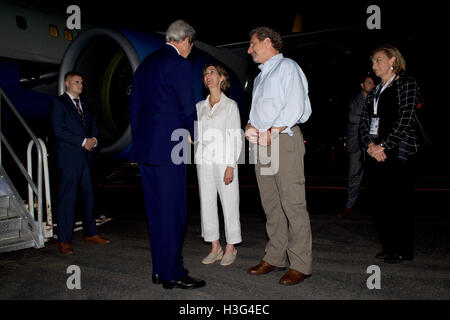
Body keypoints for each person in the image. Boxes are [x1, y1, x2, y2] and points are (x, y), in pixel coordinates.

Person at [129, 20, 205, 289]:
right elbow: (187, 107)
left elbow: (135, 110)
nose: (190, 50)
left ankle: (160, 269)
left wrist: (140, 143)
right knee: (173, 212)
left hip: (147, 149)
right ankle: (173, 273)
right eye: (191, 45)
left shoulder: (145, 65)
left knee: (156, 212)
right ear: (185, 40)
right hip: (172, 148)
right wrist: (196, 134)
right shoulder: (180, 64)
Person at [245, 27, 313, 285]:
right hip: (262, 143)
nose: (249, 49)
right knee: (271, 204)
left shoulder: (288, 68)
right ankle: (275, 256)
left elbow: (296, 106)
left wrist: (271, 132)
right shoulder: (262, 76)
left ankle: (300, 263)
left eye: (252, 44)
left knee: (292, 204)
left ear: (266, 42)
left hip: (282, 141)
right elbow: (259, 111)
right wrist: (250, 126)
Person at [359, 45, 420, 264]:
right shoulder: (375, 91)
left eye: (378, 60)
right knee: (379, 201)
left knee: (399, 202)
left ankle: (403, 249)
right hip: (376, 153)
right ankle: (388, 246)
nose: (374, 65)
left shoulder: (407, 84)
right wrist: (370, 145)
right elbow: (365, 122)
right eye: (373, 61)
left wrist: (383, 145)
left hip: (398, 152)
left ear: (393, 60)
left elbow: (406, 118)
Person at [50, 72, 110, 255]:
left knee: (89, 196)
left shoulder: (84, 104)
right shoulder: (59, 104)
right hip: (69, 159)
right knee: (68, 199)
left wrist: (94, 140)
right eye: (77, 82)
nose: (81, 85)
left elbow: (93, 126)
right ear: (67, 84)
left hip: (86, 159)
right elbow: (58, 130)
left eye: (82, 82)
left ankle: (90, 233)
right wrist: (83, 141)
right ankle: (64, 239)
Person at [195, 64, 242, 266]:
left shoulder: (230, 105)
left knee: (229, 203)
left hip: (224, 160)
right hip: (204, 160)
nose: (208, 75)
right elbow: (196, 135)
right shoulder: (199, 107)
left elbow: (235, 137)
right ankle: (215, 247)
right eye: (205, 73)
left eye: (212, 72)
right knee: (206, 203)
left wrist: (231, 165)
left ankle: (231, 246)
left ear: (222, 78)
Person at [339, 74, 376, 218]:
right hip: (356, 143)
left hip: (373, 144)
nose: (371, 86)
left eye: (373, 83)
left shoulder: (376, 99)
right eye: (369, 83)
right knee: (353, 176)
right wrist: (369, 118)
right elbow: (352, 118)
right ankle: (349, 206)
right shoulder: (354, 100)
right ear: (362, 85)